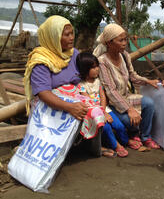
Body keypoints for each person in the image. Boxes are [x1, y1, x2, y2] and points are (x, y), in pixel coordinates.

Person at [23, 15, 115, 158]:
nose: (72, 37)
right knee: (84, 110)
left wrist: (89, 96)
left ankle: (92, 147)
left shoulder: (73, 54)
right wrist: (69, 107)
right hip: (50, 102)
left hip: (74, 95)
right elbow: (43, 93)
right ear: (54, 37)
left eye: (72, 33)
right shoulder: (41, 60)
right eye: (66, 34)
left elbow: (82, 77)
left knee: (95, 109)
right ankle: (57, 151)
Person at [94, 23, 160, 149]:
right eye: (121, 40)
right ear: (109, 43)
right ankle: (133, 134)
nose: (124, 43)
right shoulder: (102, 62)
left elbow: (132, 75)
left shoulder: (124, 56)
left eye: (125, 39)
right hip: (112, 103)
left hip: (126, 96)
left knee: (149, 104)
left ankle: (145, 137)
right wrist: (130, 109)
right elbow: (111, 90)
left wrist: (148, 81)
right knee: (127, 121)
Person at [76, 52, 129, 157]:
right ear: (85, 69)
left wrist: (104, 111)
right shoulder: (81, 85)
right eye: (93, 67)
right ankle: (116, 146)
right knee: (106, 128)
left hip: (104, 109)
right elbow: (88, 102)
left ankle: (126, 141)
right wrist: (102, 114)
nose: (97, 69)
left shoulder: (98, 81)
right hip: (93, 112)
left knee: (119, 126)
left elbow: (103, 97)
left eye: (97, 66)